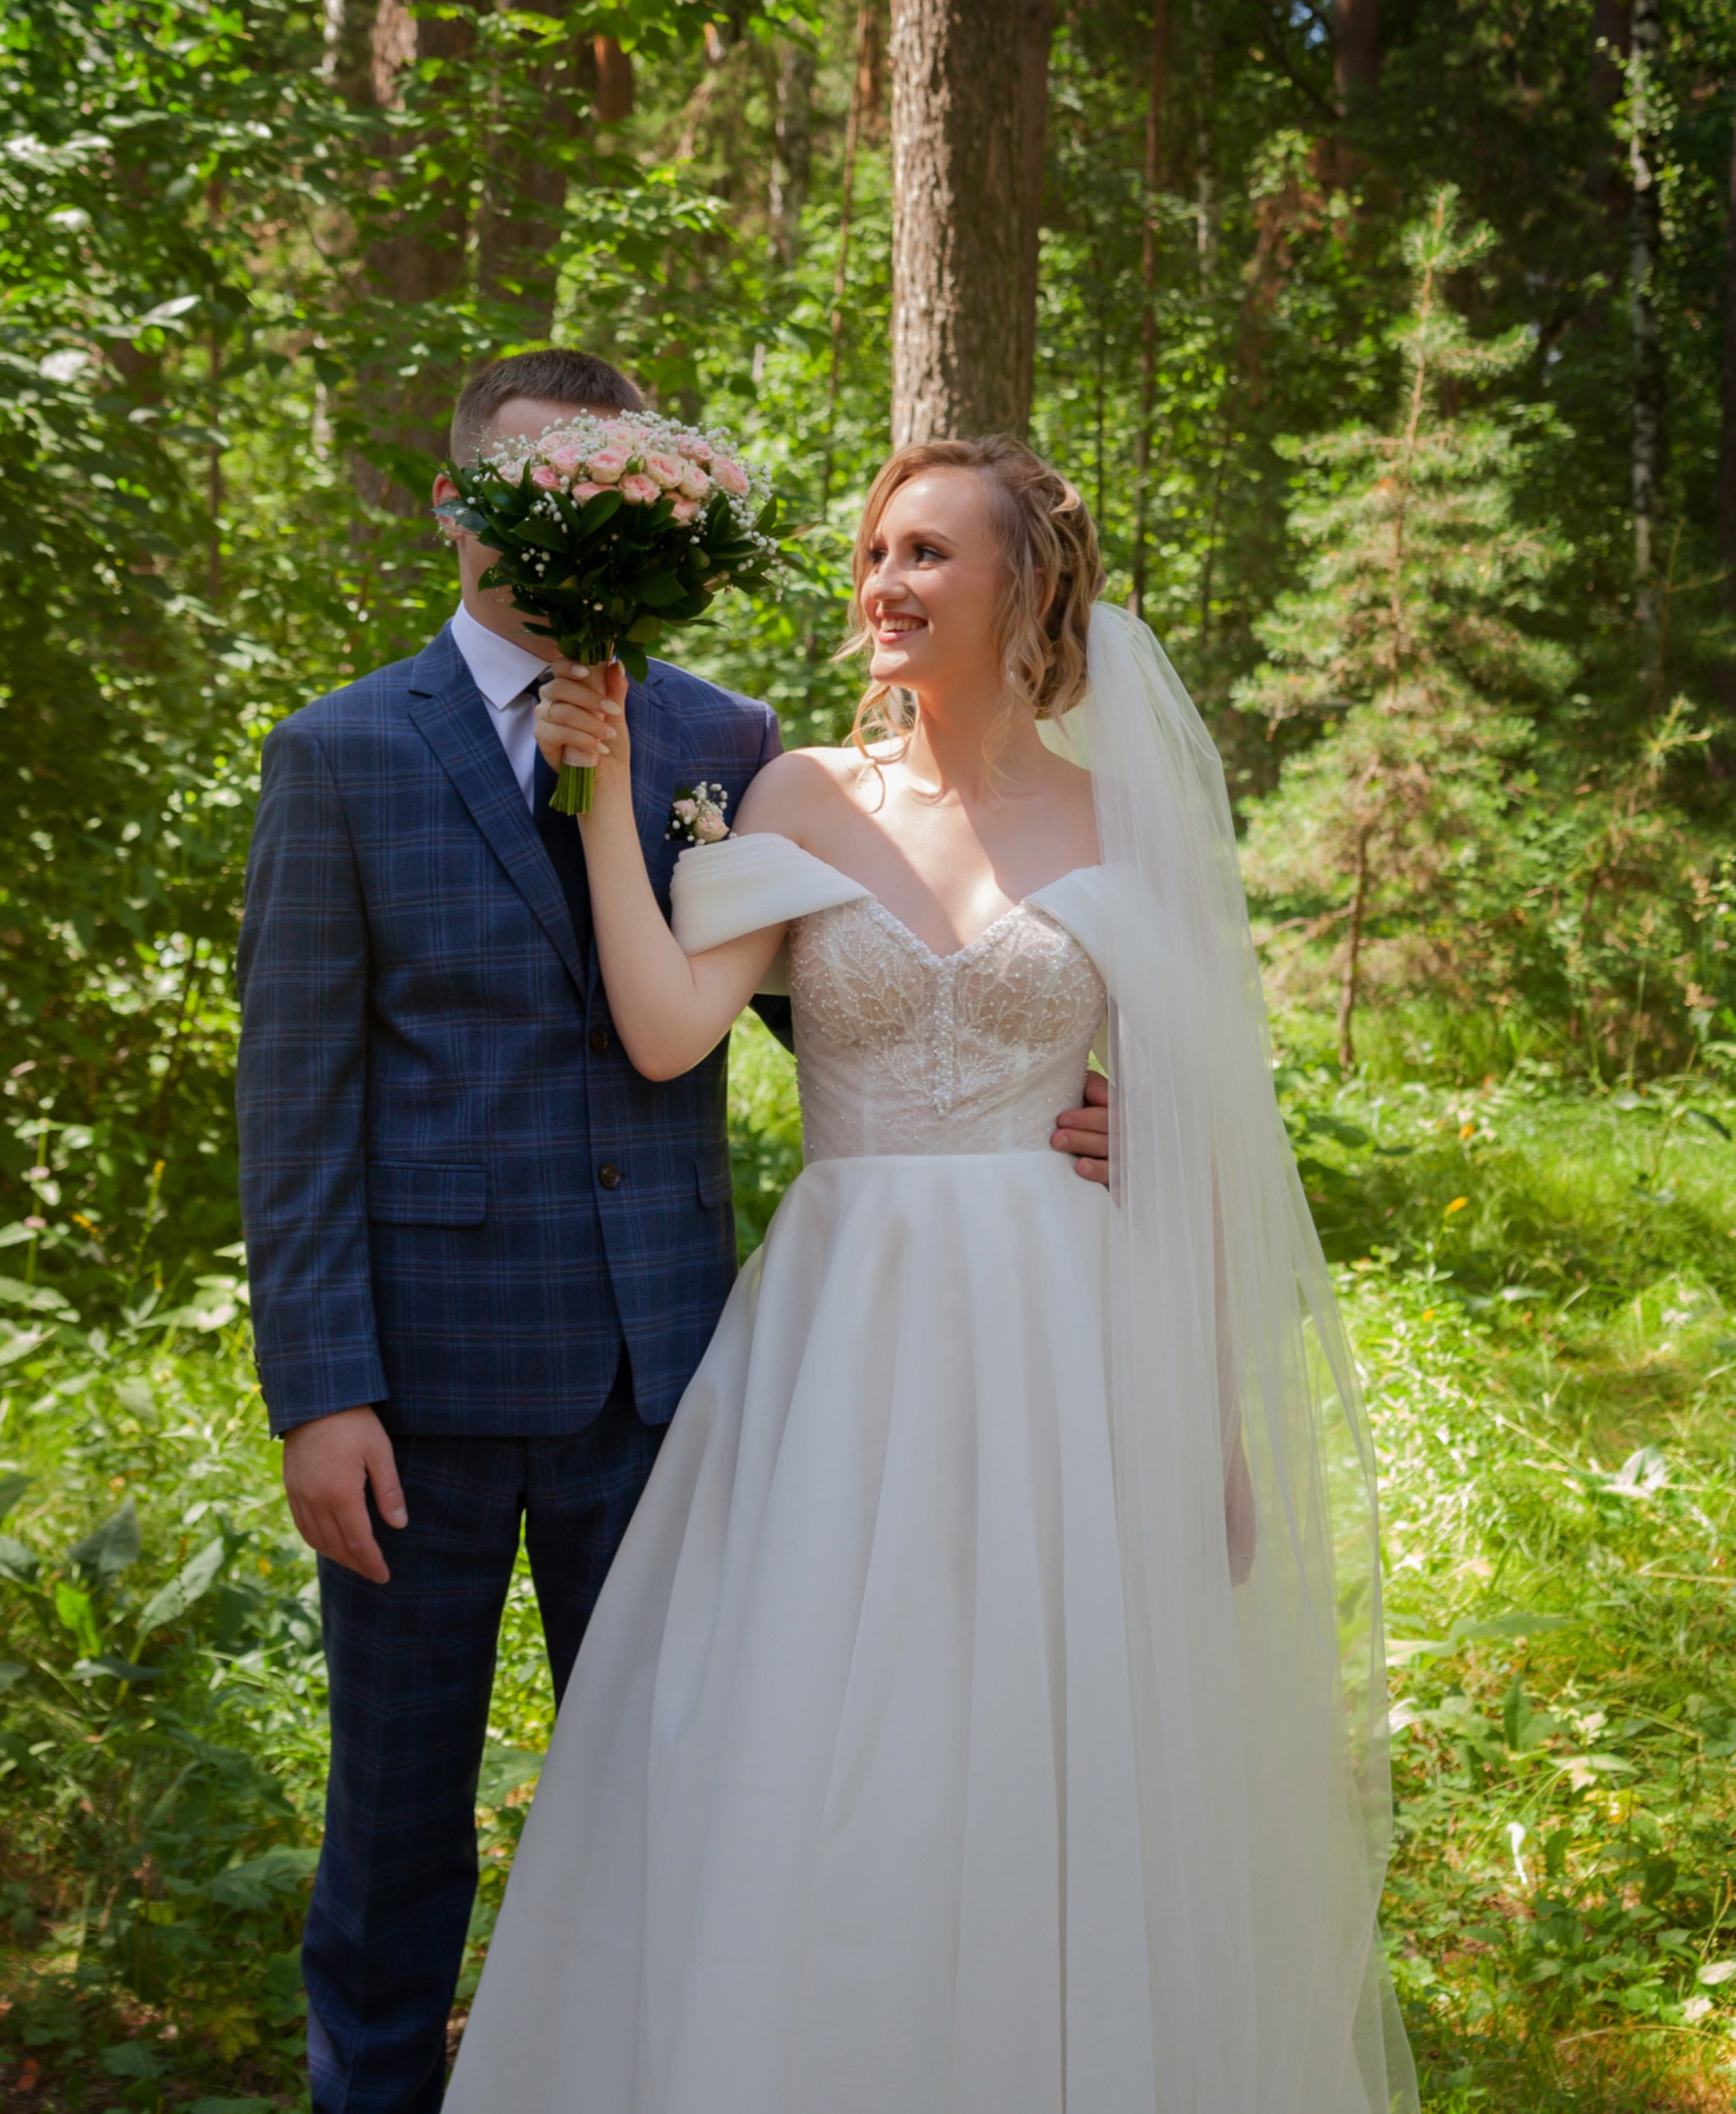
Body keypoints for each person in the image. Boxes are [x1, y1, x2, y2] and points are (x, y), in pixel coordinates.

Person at [447, 435, 1417, 2114]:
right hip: (849, 1332)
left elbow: (1206, 1141)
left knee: (1055, 1750)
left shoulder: (1130, 823)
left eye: (928, 556)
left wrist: (1217, 1425)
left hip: (1070, 1334)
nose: (885, 584)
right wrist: (606, 803)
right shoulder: (807, 794)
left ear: (1022, 590)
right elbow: (675, 1028)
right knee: (834, 1754)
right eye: (876, 552)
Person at [235, 359, 1114, 2114]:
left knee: (691, 1806)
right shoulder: (339, 753)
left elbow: (840, 991)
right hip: (421, 1386)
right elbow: (296, 1090)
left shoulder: (727, 744)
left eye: (604, 496)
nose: (563, 529)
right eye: (527, 490)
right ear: (456, 503)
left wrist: (1044, 1097)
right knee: (394, 1826)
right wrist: (320, 1388)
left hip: (681, 1382)